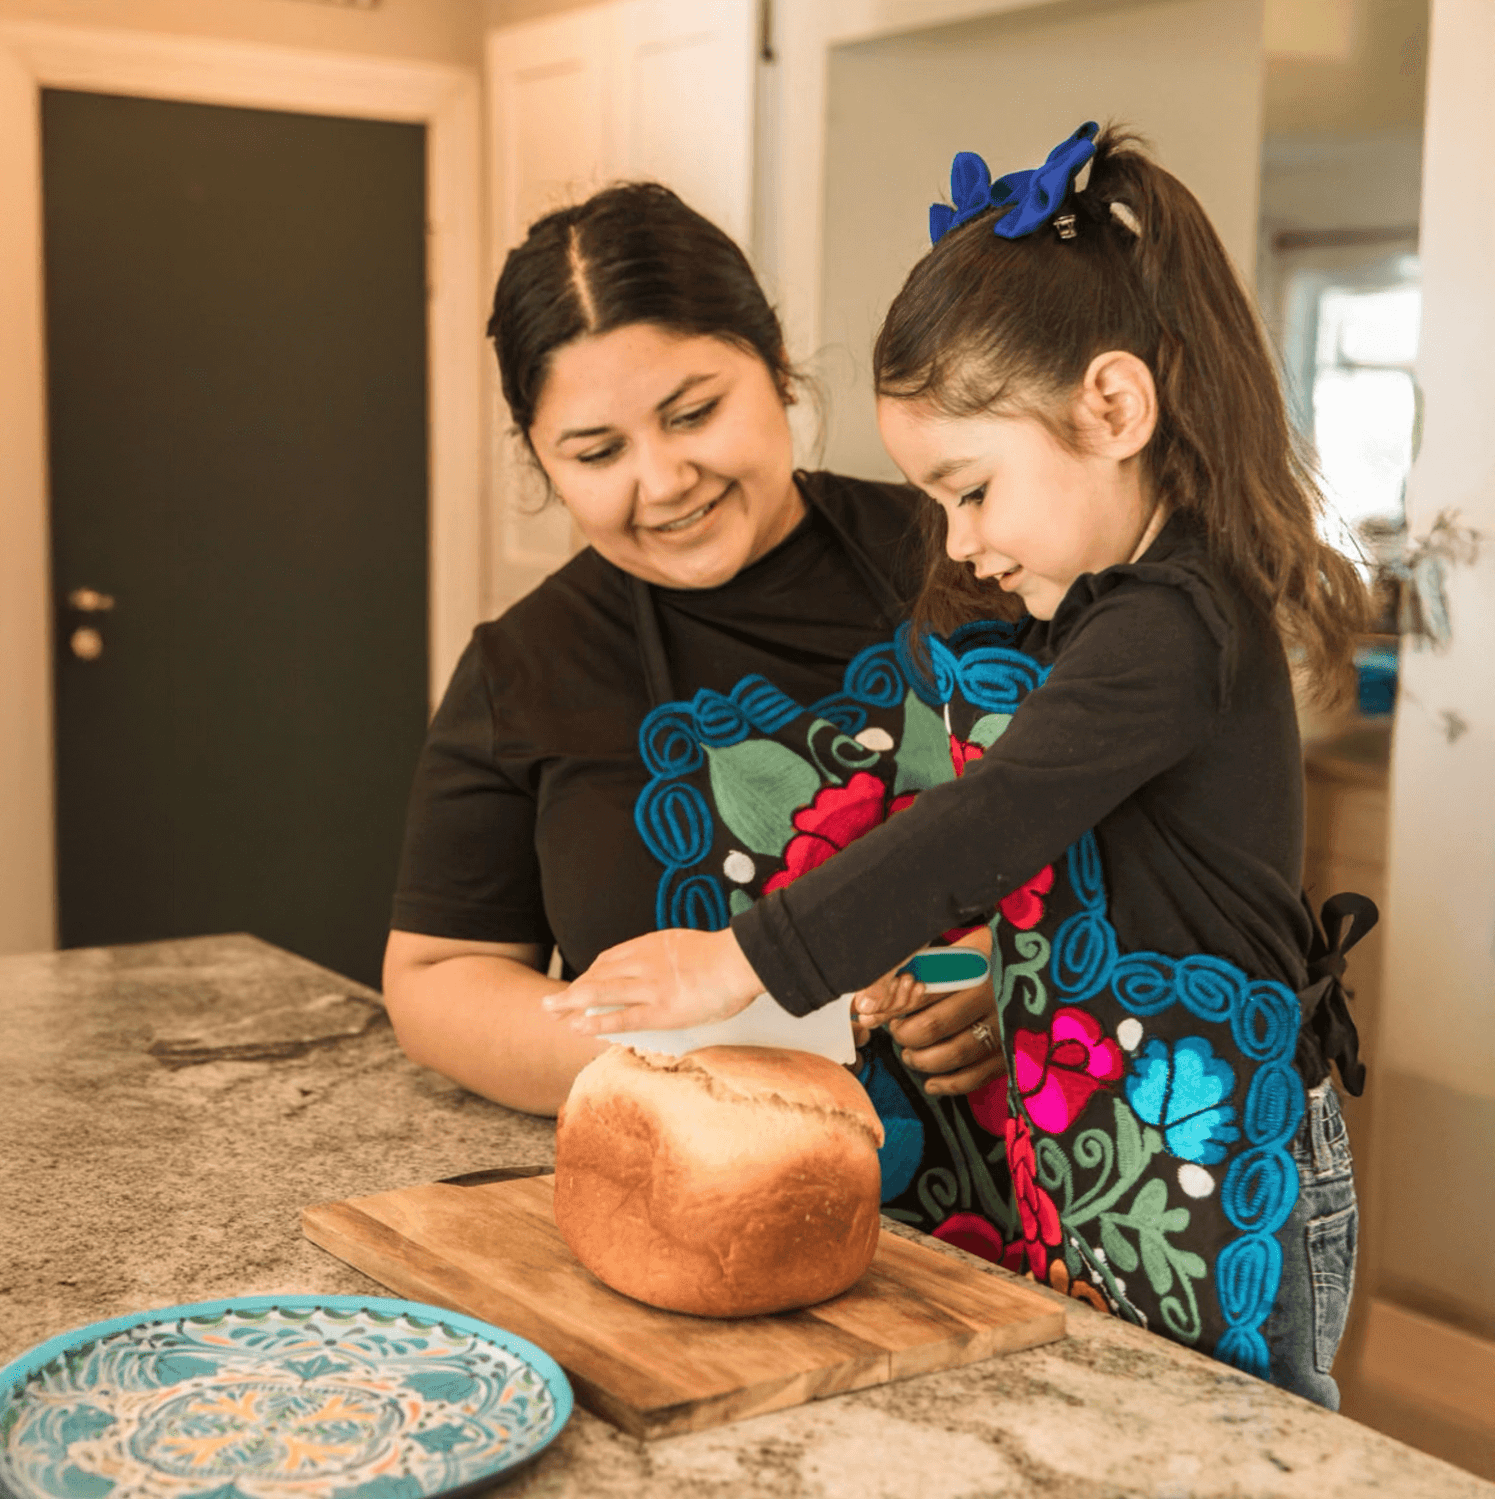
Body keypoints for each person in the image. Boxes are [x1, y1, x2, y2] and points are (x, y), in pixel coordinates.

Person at [549, 125, 1378, 1409]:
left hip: (1232, 1155)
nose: (957, 539)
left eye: (971, 489)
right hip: (1131, 1152)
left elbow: (988, 818)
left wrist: (737, 961)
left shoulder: (1176, 626)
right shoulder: (1094, 609)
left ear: (1114, 408)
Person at [382, 181, 1013, 1241]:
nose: (665, 479)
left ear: (776, 366)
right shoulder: (523, 666)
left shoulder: (975, 552)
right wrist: (688, 1046)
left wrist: (1026, 972)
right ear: (540, 458)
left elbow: (1146, 830)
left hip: (1051, 1226)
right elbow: (436, 978)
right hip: (712, 1231)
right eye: (597, 452)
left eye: (694, 414)